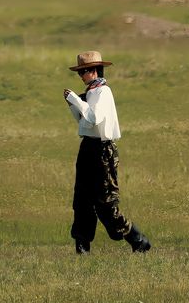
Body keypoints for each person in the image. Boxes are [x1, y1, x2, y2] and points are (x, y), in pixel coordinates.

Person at [63, 50, 151, 255]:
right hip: (88, 146)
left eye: (83, 72)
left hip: (103, 151)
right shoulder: (92, 92)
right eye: (79, 72)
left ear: (93, 71)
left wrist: (76, 100)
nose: (80, 76)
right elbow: (84, 124)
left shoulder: (103, 92)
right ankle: (82, 246)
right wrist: (73, 106)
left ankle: (137, 240)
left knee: (106, 202)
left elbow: (93, 118)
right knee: (82, 200)